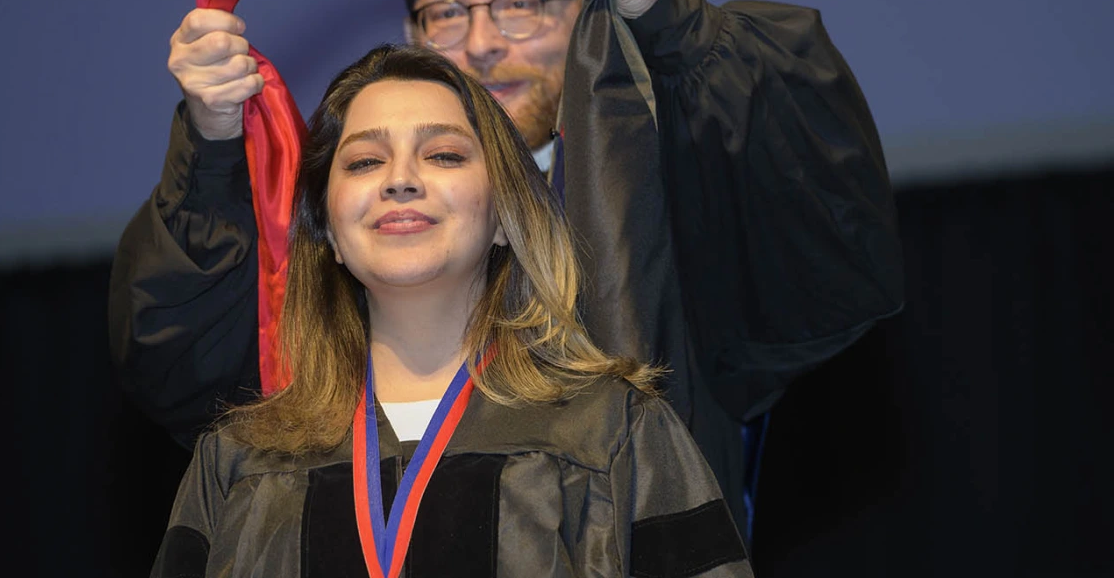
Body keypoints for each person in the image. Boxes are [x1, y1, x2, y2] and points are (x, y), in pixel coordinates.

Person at [111, 0, 903, 539]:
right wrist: (214, 144)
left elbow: (831, 241)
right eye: (446, 14)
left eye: (521, 2)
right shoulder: (362, 224)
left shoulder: (664, 190)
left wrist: (668, 16)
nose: (482, 43)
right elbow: (184, 368)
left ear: (586, 16)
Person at [150, 44, 754, 578]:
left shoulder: (613, 433)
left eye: (442, 155)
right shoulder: (241, 459)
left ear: (502, 216)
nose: (401, 180)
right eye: (364, 162)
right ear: (327, 230)